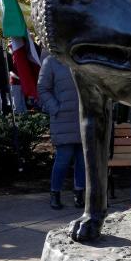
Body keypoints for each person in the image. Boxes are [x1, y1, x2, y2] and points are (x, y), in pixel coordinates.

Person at [38, 55, 85, 210]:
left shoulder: (82, 57)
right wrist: (55, 108)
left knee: (82, 160)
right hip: (63, 118)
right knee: (63, 159)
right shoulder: (51, 61)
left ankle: (79, 193)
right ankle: (55, 193)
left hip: (83, 118)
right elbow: (43, 88)